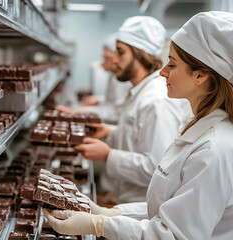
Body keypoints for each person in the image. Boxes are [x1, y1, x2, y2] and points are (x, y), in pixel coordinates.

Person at [43, 11, 233, 239]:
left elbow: (174, 235)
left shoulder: (215, 151)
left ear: (199, 76)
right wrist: (111, 213)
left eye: (172, 64)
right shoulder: (198, 129)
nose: (162, 72)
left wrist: (99, 225)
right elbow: (167, 208)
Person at [73, 16, 192, 203]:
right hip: (124, 200)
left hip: (141, 208)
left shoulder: (157, 101)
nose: (114, 61)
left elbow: (158, 168)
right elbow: (140, 136)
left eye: (120, 52)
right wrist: (110, 133)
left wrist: (108, 156)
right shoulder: (140, 91)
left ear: (140, 53)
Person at [80, 33, 132, 124]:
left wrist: (87, 111)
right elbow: (112, 101)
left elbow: (117, 112)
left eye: (106, 51)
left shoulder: (123, 79)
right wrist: (98, 100)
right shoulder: (114, 74)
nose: (103, 56)